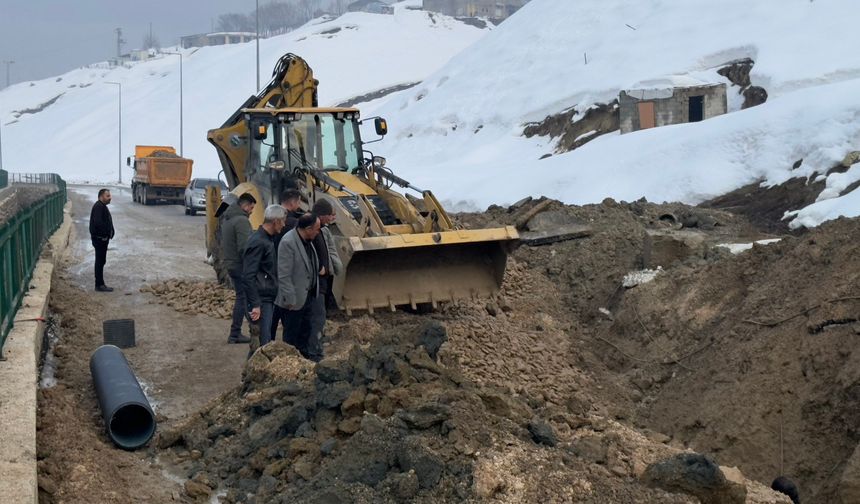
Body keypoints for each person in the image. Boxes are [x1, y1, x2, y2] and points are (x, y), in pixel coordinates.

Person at [276, 212, 321, 360]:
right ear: (308, 229)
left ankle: (304, 360)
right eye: (317, 228)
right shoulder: (288, 242)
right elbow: (284, 275)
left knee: (305, 331)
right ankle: (290, 363)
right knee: (292, 335)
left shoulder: (308, 241)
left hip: (307, 295)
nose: (318, 231)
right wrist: (290, 299)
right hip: (293, 301)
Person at [242, 205, 286, 355]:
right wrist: (255, 304)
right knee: (261, 343)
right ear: (275, 221)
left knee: (263, 342)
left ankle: (252, 376)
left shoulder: (267, 240)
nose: (284, 225)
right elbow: (248, 275)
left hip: (265, 298)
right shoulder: (259, 242)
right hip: (260, 300)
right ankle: (250, 377)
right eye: (283, 221)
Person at [307, 199, 342, 357]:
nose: (331, 218)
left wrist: (333, 267)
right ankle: (315, 351)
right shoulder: (312, 232)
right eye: (329, 215)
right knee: (317, 316)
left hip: (323, 281)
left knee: (320, 315)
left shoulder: (323, 230)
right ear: (321, 215)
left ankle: (315, 346)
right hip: (316, 284)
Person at [221, 192, 256, 344]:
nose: (252, 211)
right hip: (239, 265)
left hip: (230, 264)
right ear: (245, 205)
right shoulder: (241, 221)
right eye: (252, 208)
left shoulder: (228, 219)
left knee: (242, 297)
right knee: (245, 298)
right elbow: (244, 248)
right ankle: (236, 334)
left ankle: (238, 333)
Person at [89, 188, 115, 292]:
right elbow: (98, 223)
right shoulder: (98, 207)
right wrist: (105, 234)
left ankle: (100, 283)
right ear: (101, 197)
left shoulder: (102, 206)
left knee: (101, 261)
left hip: (102, 239)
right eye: (107, 196)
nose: (110, 198)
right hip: (100, 240)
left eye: (109, 196)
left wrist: (110, 232)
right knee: (99, 262)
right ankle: (99, 285)